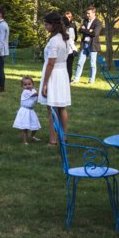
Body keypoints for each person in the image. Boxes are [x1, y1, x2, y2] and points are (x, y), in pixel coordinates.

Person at [38, 12, 71, 145]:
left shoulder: (54, 40)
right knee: (61, 107)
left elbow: (51, 63)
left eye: (46, 24)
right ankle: (64, 136)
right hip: (62, 73)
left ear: (53, 25)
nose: (45, 27)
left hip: (55, 74)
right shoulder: (64, 38)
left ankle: (53, 140)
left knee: (51, 108)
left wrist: (45, 83)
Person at [74, 6, 102, 85]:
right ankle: (76, 79)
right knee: (80, 62)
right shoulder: (85, 21)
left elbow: (95, 33)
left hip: (92, 45)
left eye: (89, 13)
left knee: (92, 63)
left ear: (94, 13)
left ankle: (91, 80)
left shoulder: (98, 23)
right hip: (84, 44)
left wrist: (84, 30)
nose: (87, 15)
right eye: (86, 13)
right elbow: (80, 30)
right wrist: (88, 30)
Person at [12, 76, 41, 144]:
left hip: (31, 110)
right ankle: (25, 141)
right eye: (25, 85)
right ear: (22, 86)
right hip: (25, 111)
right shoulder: (25, 92)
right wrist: (43, 91)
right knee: (25, 127)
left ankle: (32, 136)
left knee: (35, 124)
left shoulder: (33, 90)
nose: (27, 86)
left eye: (29, 84)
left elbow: (37, 95)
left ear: (33, 84)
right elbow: (36, 94)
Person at [62, 11, 78, 82]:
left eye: (69, 17)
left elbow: (73, 39)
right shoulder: (61, 30)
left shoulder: (72, 27)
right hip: (64, 49)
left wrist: (74, 48)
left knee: (69, 66)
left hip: (69, 50)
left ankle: (68, 80)